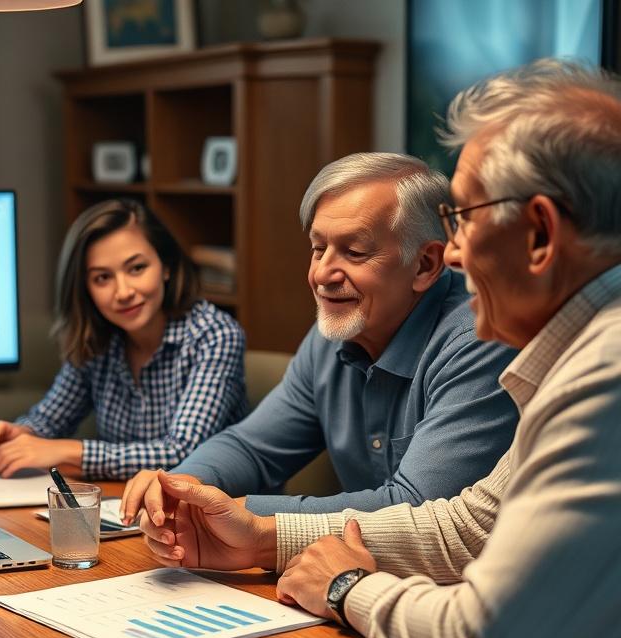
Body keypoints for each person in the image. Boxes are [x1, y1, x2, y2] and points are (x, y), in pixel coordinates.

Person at [135, 59, 621, 638]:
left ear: (538, 234)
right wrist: (259, 536)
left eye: (466, 219)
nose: (453, 251)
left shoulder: (603, 370)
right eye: (317, 248)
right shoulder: (581, 353)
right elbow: (469, 525)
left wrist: (347, 589)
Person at [122, 152, 518, 520]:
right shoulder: (333, 333)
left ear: (425, 264)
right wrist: (185, 483)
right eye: (317, 248)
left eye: (355, 252)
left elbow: (415, 508)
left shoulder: (479, 337)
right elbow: (253, 447)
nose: (322, 275)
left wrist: (241, 514)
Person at [0, 199, 247, 480]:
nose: (123, 291)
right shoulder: (99, 337)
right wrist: (23, 434)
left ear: (166, 267)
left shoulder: (215, 336)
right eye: (102, 278)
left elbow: (182, 452)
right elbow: (51, 419)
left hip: (214, 511)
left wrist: (68, 451)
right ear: (85, 289)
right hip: (119, 505)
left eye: (137, 268)